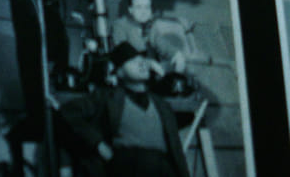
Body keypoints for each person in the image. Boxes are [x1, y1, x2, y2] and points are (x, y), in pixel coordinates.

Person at [56, 41, 192, 177]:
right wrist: (98, 144)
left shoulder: (162, 105)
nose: (142, 64)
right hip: (126, 167)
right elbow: (67, 112)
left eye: (143, 60)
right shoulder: (106, 97)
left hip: (161, 169)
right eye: (133, 61)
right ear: (119, 72)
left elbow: (177, 149)